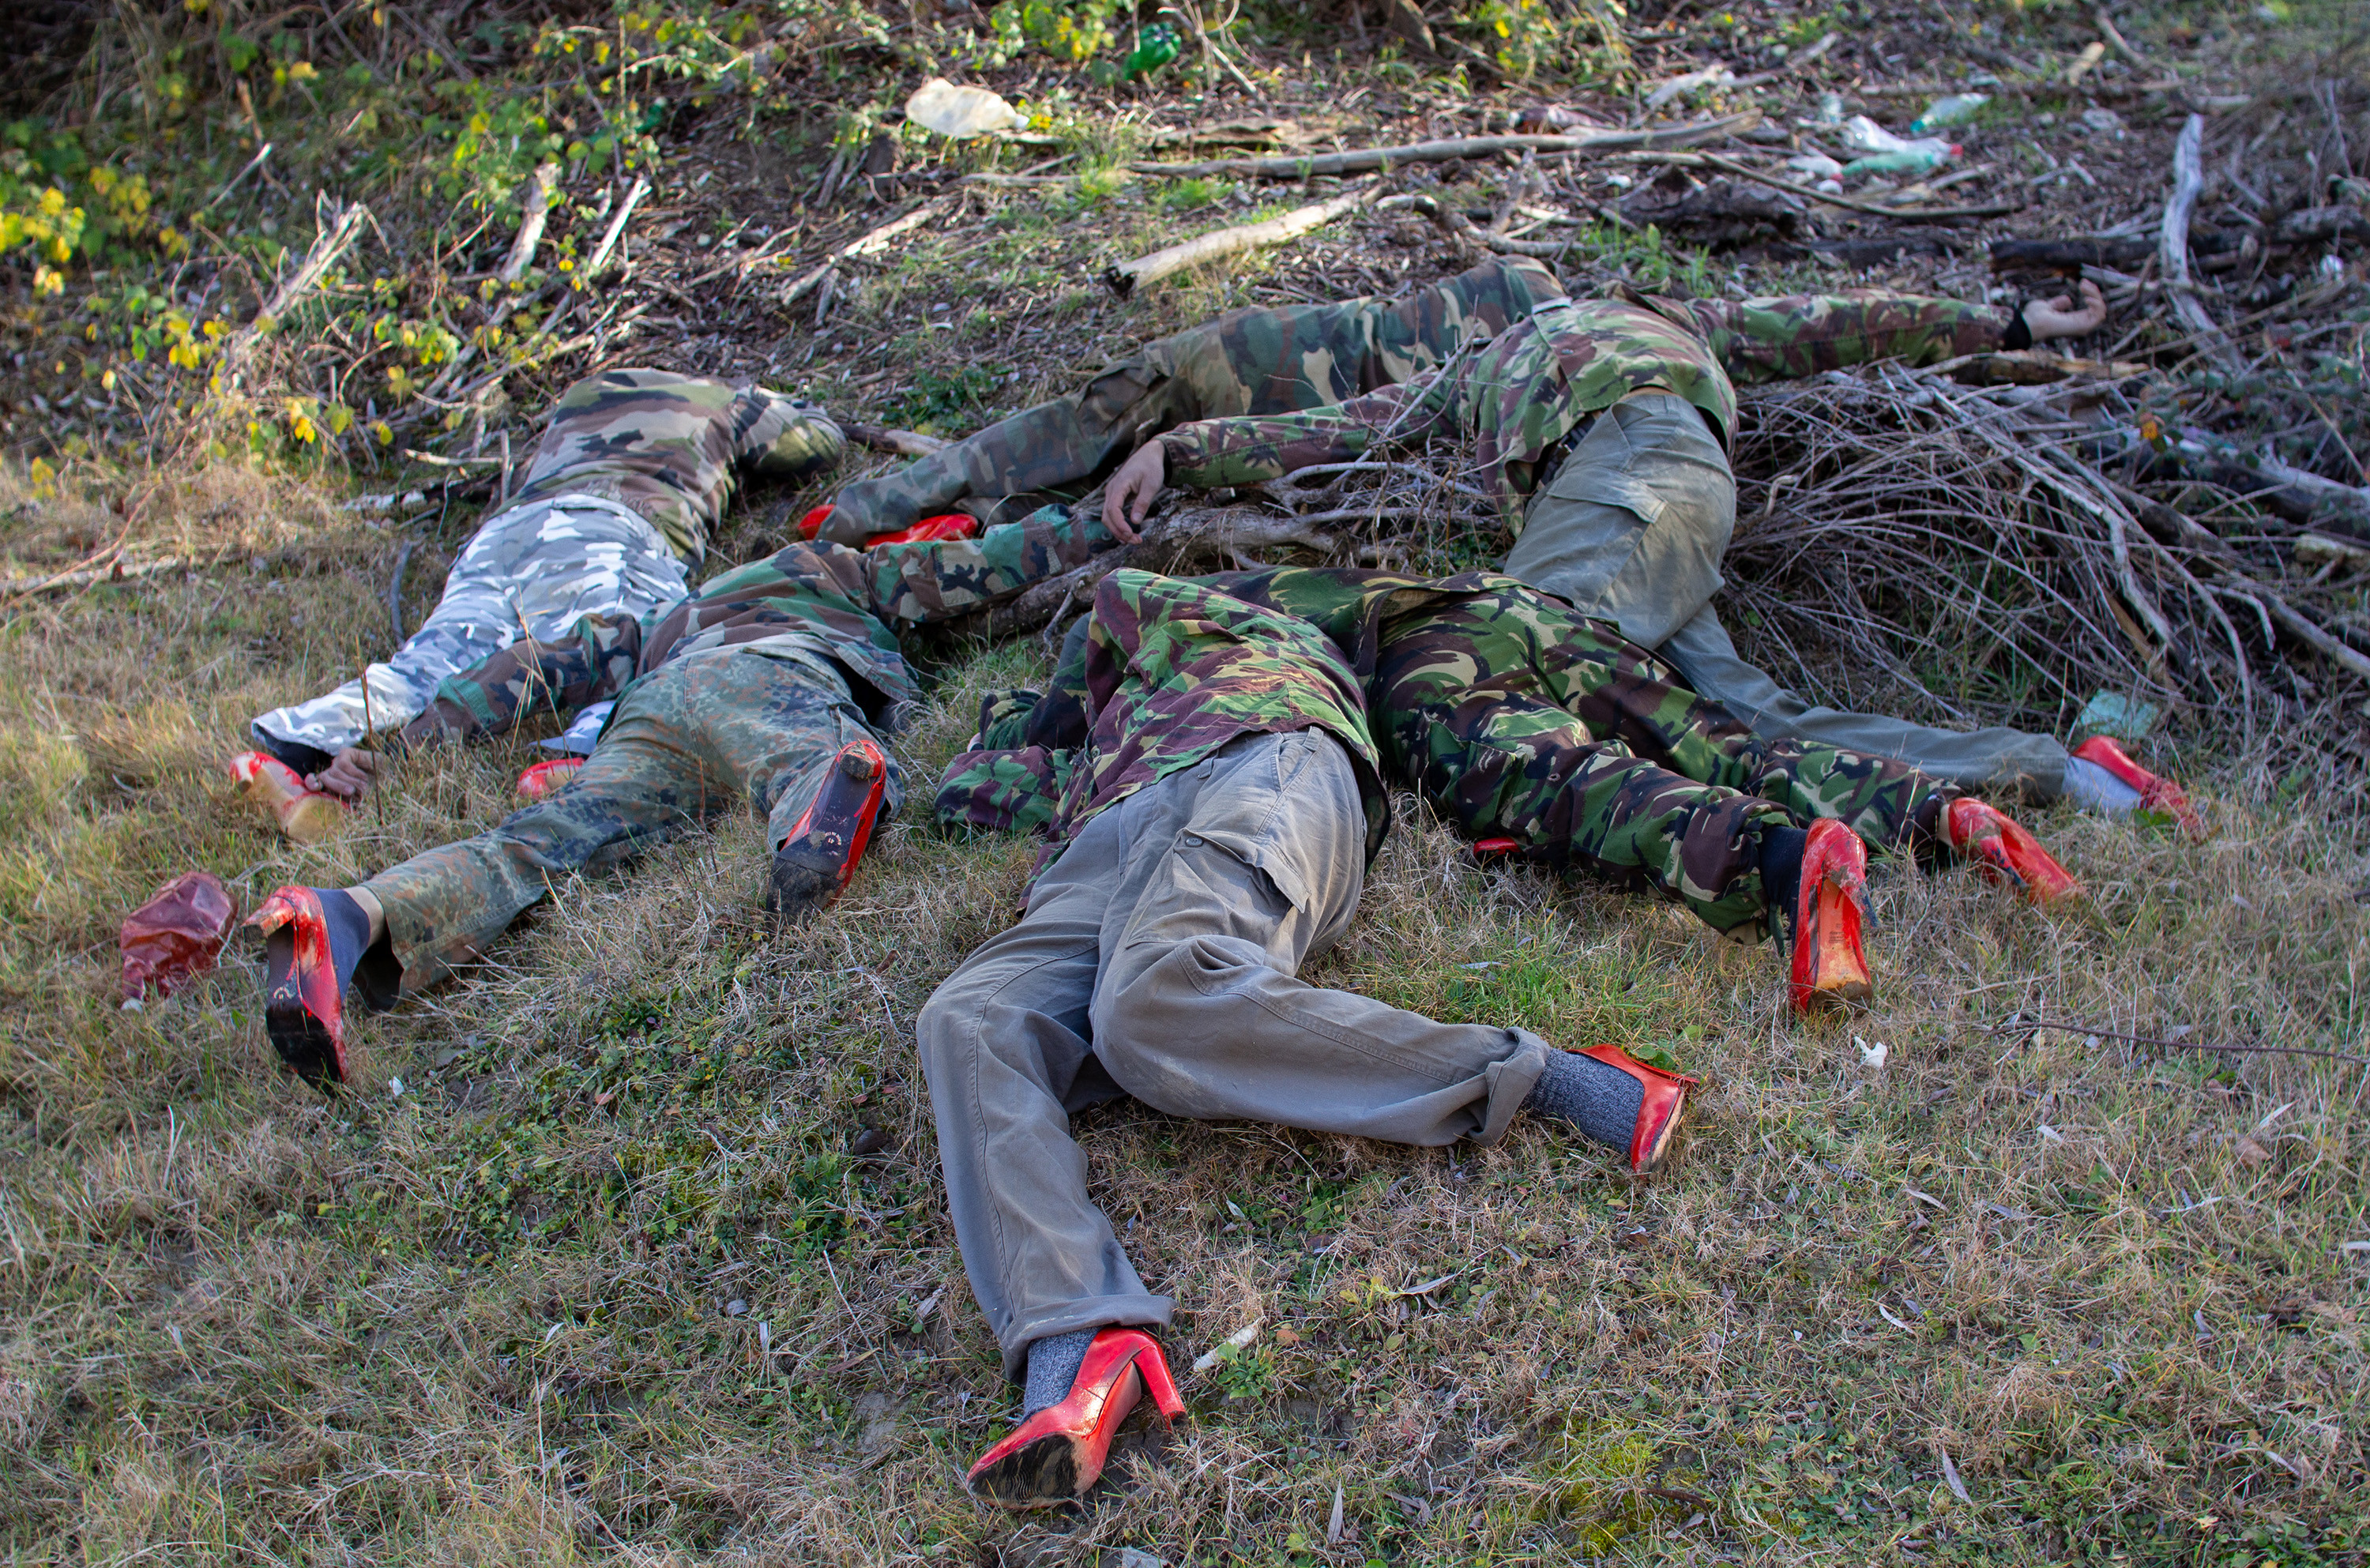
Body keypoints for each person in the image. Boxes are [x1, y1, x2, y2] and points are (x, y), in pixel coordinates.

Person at [918, 567, 1698, 1510]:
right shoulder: (1104, 739)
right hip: (1104, 834)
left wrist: (1053, 701)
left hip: (1262, 759)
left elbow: (1128, 596)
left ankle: (1538, 1075)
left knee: (1150, 1000)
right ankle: (1076, 1336)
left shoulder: (1239, 628)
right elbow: (975, 787)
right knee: (968, 1015)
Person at [1099, 273, 2204, 834]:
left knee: (1485, 662)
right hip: (1651, 497)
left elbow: (1845, 321)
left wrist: (2008, 322)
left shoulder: (1601, 327)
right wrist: (1184, 451)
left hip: (1632, 465)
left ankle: (1358, 825)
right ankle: (2052, 771)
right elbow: (1340, 429)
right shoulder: (1490, 364)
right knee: (1745, 717)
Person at [948, 565, 2083, 1018]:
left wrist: (982, 765)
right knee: (1716, 735)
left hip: (1416, 659)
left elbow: (1027, 774)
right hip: (1514, 605)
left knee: (1559, 779)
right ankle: (1941, 813)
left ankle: (1780, 866)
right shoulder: (1261, 586)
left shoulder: (1143, 648)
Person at [247, 503, 1114, 1087]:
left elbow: (530, 671)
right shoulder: (832, 569)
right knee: (796, 750)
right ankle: (823, 794)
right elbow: (979, 565)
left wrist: (394, 745)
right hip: (776, 668)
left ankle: (351, 914)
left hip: (654, 710)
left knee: (541, 837)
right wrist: (1091, 520)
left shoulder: (663, 616)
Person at [230, 370, 851, 831]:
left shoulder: (582, 393)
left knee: (434, 655)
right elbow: (819, 443)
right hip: (611, 527)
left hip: (505, 533)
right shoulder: (725, 399)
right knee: (626, 641)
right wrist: (768, 406)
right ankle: (585, 756)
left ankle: (295, 740)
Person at [801, 256, 1567, 543]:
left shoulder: (1523, 294)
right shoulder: (1533, 323)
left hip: (1248, 370)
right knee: (1052, 450)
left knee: (1072, 470)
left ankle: (945, 524)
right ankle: (860, 517)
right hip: (1238, 377)